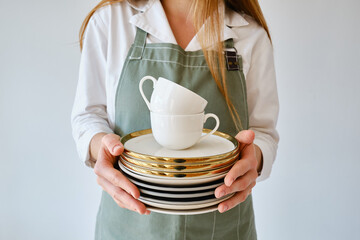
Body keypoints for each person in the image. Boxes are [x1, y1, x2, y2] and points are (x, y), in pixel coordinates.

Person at [71, 0, 279, 239]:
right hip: (128, 226)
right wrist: (100, 147)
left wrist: (256, 157)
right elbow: (88, 115)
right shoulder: (111, 21)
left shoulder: (250, 35)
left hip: (223, 229)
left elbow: (263, 132)